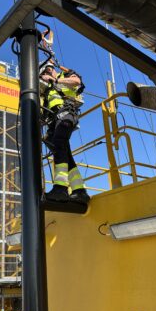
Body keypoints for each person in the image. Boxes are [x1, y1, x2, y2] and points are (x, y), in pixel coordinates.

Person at [40, 61, 90, 204]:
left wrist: (55, 80)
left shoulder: (64, 75)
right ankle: (79, 191)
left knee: (59, 145)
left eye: (45, 72)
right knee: (64, 152)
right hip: (56, 120)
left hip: (67, 114)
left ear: (50, 70)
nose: (44, 76)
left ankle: (61, 188)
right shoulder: (49, 90)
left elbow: (76, 82)